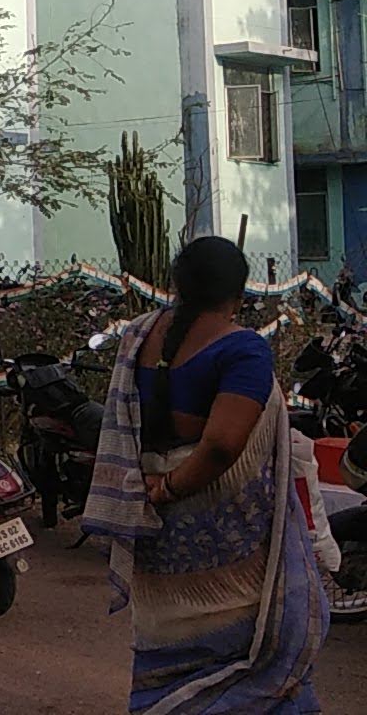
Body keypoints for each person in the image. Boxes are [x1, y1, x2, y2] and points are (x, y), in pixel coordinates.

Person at [82, 236, 328, 713]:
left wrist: (156, 489)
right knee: (251, 655)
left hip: (158, 530)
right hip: (220, 536)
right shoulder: (242, 349)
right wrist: (172, 488)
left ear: (178, 284)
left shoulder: (140, 335)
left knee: (166, 648)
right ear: (239, 294)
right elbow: (219, 447)